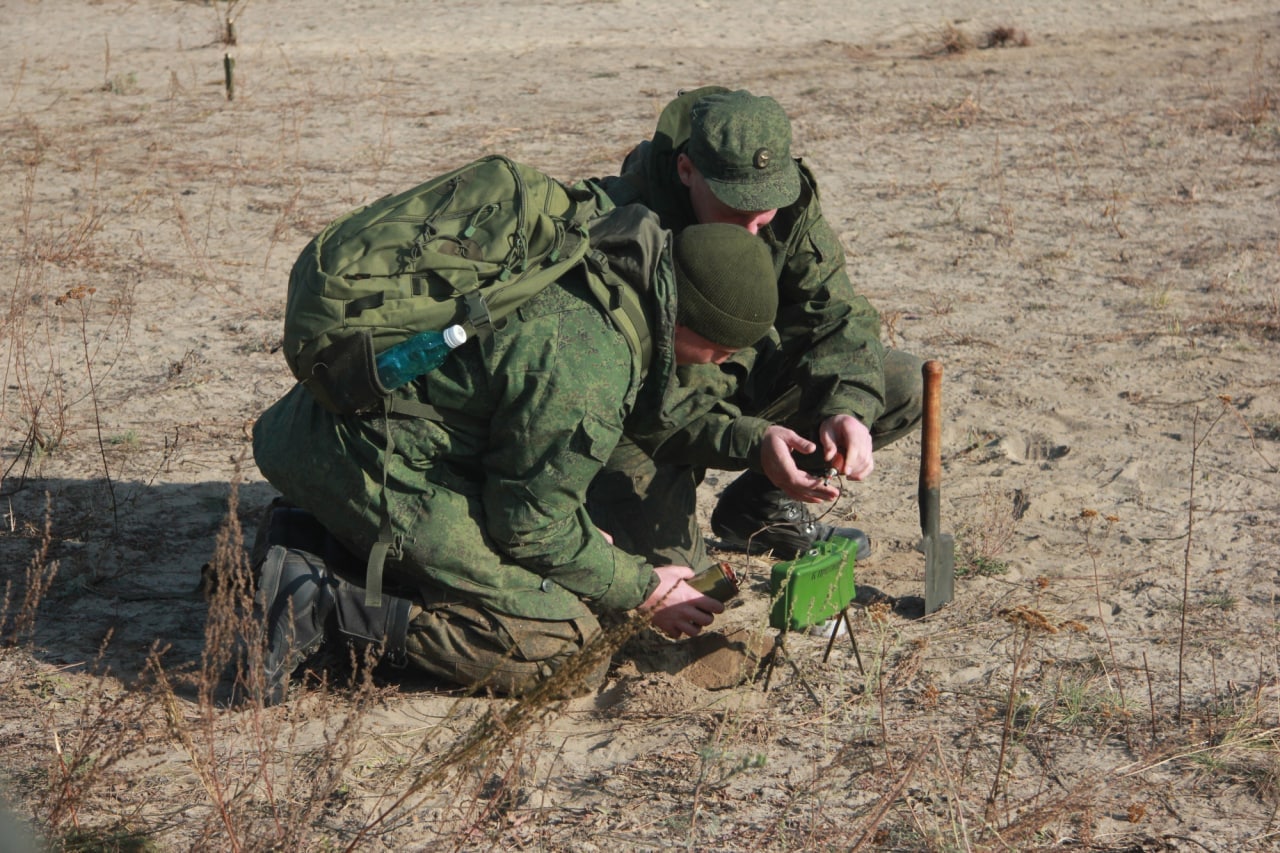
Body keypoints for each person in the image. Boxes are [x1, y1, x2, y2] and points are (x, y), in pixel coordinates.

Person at [250, 202, 785, 701]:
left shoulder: (598, 261)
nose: (714, 366)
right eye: (720, 353)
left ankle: (311, 538)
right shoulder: (589, 362)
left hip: (325, 427)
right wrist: (645, 589)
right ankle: (320, 603)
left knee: (576, 564)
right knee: (565, 650)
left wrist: (576, 535)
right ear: (693, 327)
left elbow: (515, 444)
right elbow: (528, 527)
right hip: (369, 466)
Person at [581, 86, 924, 574]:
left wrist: (845, 408)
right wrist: (752, 439)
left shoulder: (784, 204)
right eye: (736, 209)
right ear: (686, 172)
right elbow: (629, 402)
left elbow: (834, 314)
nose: (754, 228)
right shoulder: (625, 224)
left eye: (765, 209)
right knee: (673, 579)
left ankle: (758, 508)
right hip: (649, 421)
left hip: (738, 378)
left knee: (900, 383)